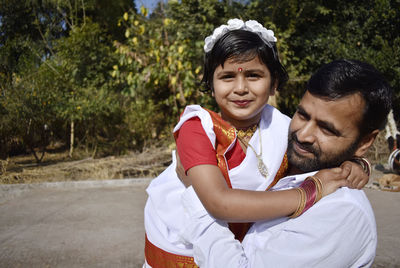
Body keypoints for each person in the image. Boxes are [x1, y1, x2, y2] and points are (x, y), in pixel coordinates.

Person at [143, 19, 368, 267]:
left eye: (253, 75)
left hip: (234, 246)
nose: (240, 88)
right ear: (210, 85)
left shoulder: (284, 127)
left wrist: (355, 163)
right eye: (227, 77)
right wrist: (309, 193)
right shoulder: (197, 128)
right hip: (183, 242)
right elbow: (219, 203)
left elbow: (318, 155)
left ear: (273, 84)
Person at [178, 59, 393, 267]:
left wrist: (196, 193)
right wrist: (359, 162)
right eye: (302, 115)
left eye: (327, 129)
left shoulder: (342, 213)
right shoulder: (283, 148)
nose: (304, 134)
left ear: (365, 142)